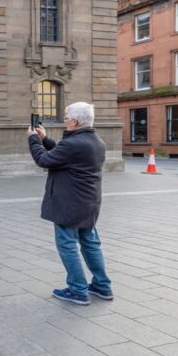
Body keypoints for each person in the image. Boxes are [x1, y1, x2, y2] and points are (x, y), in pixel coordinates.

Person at [27, 102, 112, 306]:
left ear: (74, 121)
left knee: (67, 245)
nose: (65, 120)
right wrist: (45, 139)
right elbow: (64, 155)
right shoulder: (96, 141)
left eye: (66, 118)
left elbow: (44, 160)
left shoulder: (73, 144)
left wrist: (32, 140)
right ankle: (102, 285)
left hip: (68, 204)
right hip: (88, 203)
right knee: (90, 243)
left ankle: (78, 290)